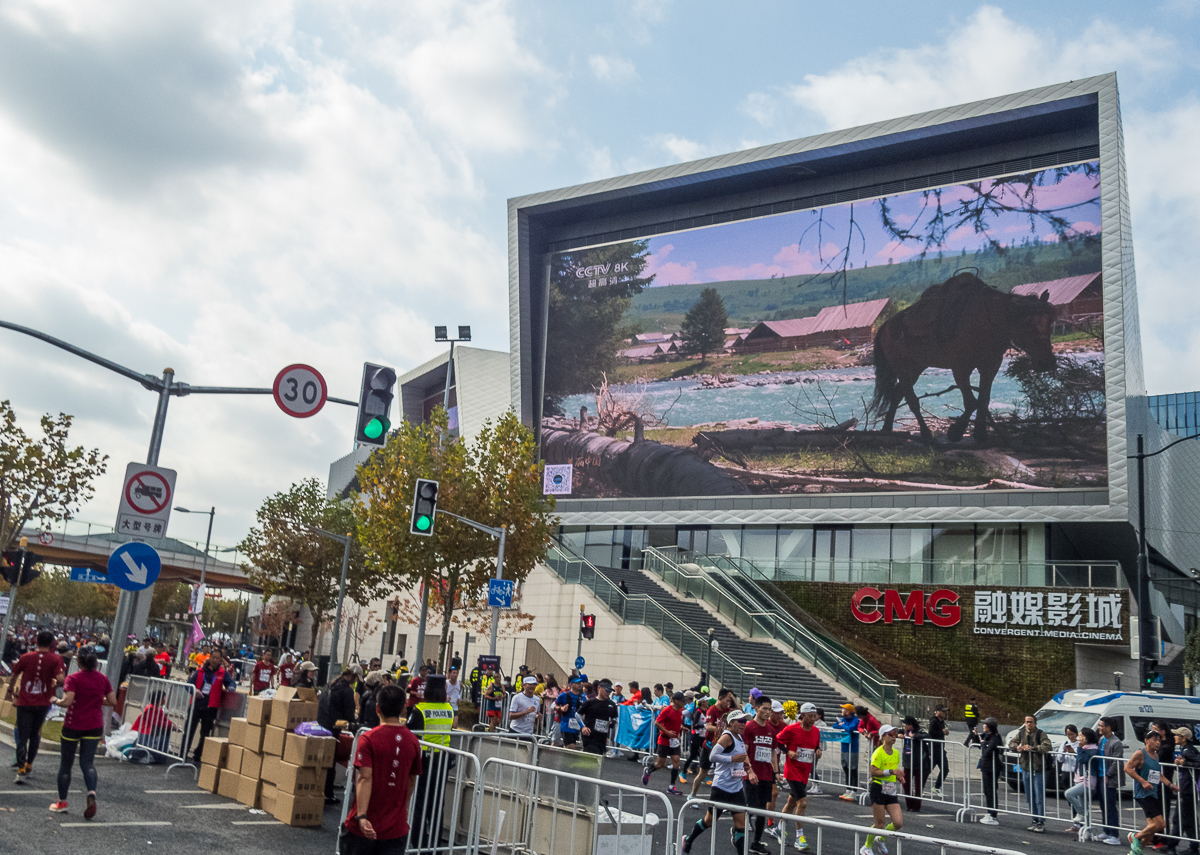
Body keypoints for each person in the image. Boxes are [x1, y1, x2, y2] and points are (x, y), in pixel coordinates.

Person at [341, 684, 423, 854]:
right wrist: (402, 806)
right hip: (396, 827)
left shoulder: (368, 739)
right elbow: (411, 779)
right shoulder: (413, 741)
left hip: (364, 826)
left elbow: (365, 777)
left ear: (377, 708)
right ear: (403, 709)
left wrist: (362, 817)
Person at [49, 646, 115, 818]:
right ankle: (91, 792)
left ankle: (62, 802)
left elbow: (67, 701)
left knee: (66, 764)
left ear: (78, 661)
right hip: (94, 725)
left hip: (73, 724)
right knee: (88, 763)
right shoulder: (102, 678)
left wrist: (55, 700)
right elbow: (112, 700)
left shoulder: (73, 678)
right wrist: (95, 700)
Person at [682, 710, 750, 854]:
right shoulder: (727, 736)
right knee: (709, 821)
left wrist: (743, 766)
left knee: (740, 824)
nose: (744, 724)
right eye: (741, 721)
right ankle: (688, 840)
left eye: (745, 722)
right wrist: (733, 759)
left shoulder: (739, 737)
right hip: (722, 787)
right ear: (732, 722)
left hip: (736, 787)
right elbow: (713, 756)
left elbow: (737, 758)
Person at [5, 629, 65, 784]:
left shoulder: (26, 657)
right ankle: (29, 764)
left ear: (36, 641)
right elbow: (61, 678)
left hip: (25, 701)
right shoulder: (56, 659)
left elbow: (15, 675)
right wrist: (55, 682)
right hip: (43, 702)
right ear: (52, 643)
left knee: (22, 734)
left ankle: (20, 769)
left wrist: (10, 690)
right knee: (35, 734)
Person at [775, 701, 822, 852]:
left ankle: (779, 827)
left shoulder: (816, 731)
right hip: (792, 771)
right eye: (810, 716)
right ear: (802, 715)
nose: (813, 718)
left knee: (791, 802)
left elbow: (815, 745)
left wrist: (818, 750)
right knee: (802, 803)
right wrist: (788, 752)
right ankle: (799, 837)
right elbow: (777, 741)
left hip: (805, 772)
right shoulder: (791, 729)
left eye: (815, 716)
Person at [1127, 728, 1178, 854]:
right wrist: (1143, 781)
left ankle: (1135, 852)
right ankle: (1136, 836)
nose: (1158, 743)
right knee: (1161, 824)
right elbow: (1127, 768)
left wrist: (1170, 785)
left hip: (1153, 793)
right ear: (1146, 741)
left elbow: (1158, 775)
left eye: (1159, 740)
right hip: (1143, 794)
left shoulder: (1155, 756)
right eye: (1154, 740)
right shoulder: (1140, 753)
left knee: (1152, 830)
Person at [740, 694, 776, 854]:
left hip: (766, 775)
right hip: (752, 775)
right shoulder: (749, 727)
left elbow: (773, 752)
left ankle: (756, 842)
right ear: (756, 708)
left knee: (763, 810)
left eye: (770, 709)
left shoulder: (771, 730)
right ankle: (738, 833)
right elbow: (744, 751)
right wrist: (750, 771)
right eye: (765, 709)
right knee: (752, 807)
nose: (768, 712)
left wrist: (777, 772)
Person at [186, 650, 235, 765]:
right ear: (210, 658)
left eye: (218, 658)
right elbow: (188, 684)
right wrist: (194, 691)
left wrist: (231, 688)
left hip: (211, 708)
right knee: (189, 731)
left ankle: (197, 757)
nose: (215, 660)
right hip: (196, 706)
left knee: (205, 734)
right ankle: (183, 753)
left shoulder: (223, 673)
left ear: (220, 660)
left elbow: (231, 683)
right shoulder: (200, 671)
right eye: (213, 657)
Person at [319, 669, 360, 804]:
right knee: (330, 760)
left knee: (321, 760)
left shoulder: (330, 685)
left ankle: (319, 790)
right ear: (352, 677)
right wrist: (354, 724)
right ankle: (328, 794)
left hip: (321, 725)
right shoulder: (346, 691)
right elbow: (348, 713)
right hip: (333, 727)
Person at [862, 725, 905, 855]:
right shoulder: (878, 752)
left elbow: (892, 772)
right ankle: (866, 847)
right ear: (883, 736)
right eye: (891, 733)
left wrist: (898, 777)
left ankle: (881, 838)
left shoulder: (896, 753)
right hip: (878, 787)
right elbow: (873, 772)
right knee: (880, 823)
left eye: (895, 733)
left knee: (897, 823)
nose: (894, 736)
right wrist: (891, 771)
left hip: (891, 789)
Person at [1008, 713, 1052, 833]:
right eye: (1026, 722)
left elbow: (1047, 746)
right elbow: (1011, 743)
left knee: (1039, 796)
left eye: (1031, 722)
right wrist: (1017, 747)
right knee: (1029, 795)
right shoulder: (1022, 733)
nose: (1028, 724)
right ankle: (1034, 819)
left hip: (1038, 768)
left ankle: (1040, 821)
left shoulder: (1040, 733)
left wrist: (1033, 748)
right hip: (1026, 767)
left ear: (1035, 723)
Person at [691, 690, 734, 801]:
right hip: (710, 745)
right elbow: (708, 727)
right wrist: (722, 730)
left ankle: (723, 800)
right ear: (720, 698)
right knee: (702, 773)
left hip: (722, 746)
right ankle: (692, 795)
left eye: (729, 701)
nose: (728, 703)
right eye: (726, 700)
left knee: (726, 774)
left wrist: (732, 698)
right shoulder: (712, 710)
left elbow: (739, 711)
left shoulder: (727, 710)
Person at [644, 692, 687, 794]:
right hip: (664, 740)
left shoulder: (680, 710)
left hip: (674, 740)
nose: (684, 703)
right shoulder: (668, 710)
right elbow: (657, 723)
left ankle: (672, 786)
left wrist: (682, 728)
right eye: (682, 701)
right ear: (676, 701)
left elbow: (676, 723)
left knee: (676, 761)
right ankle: (648, 770)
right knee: (660, 764)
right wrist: (667, 732)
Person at [967, 717, 1004, 825]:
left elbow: (987, 752)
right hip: (986, 766)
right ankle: (989, 811)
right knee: (987, 791)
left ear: (990, 726)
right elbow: (981, 747)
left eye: (985, 724)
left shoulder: (995, 737)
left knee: (991, 791)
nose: (983, 726)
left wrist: (983, 743)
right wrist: (976, 737)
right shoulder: (988, 736)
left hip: (992, 767)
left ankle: (993, 814)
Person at [1063, 727, 1100, 832]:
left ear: (1087, 737)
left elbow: (1083, 760)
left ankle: (1081, 813)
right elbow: (1079, 760)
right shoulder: (1085, 748)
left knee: (1068, 794)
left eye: (1081, 736)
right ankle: (1087, 829)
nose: (1079, 739)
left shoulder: (1092, 749)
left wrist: (1078, 748)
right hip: (1080, 777)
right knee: (1084, 804)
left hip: (1088, 780)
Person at [1096, 716, 1126, 845]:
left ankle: (1115, 835)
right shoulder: (1102, 739)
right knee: (1103, 805)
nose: (1099, 728)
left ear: (1108, 727)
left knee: (1110, 806)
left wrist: (1108, 774)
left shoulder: (1116, 742)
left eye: (1101, 725)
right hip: (1100, 776)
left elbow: (1116, 761)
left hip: (1109, 778)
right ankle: (1106, 830)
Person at [1172, 726, 1200, 855]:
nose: (1175, 737)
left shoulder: (1188, 750)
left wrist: (1185, 764)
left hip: (1188, 789)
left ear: (1183, 738)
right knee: (1183, 818)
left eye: (1177, 735)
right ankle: (1189, 845)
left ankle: (1191, 847)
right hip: (1186, 788)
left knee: (1186, 819)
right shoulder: (1185, 750)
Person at [578, 679, 619, 756]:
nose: (608, 693)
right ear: (599, 688)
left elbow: (615, 717)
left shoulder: (612, 705)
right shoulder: (590, 703)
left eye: (610, 691)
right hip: (589, 737)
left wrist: (612, 723)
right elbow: (577, 714)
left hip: (602, 738)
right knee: (592, 758)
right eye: (606, 690)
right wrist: (582, 727)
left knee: (598, 761)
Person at [899, 716, 928, 812]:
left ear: (910, 725)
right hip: (908, 761)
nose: (904, 726)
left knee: (918, 786)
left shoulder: (919, 731)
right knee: (905, 783)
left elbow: (927, 736)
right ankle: (909, 804)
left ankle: (917, 805)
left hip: (919, 762)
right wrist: (900, 734)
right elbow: (896, 731)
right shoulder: (904, 731)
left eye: (905, 724)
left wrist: (914, 736)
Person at [832, 703, 860, 800]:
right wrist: (843, 726)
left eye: (843, 709)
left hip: (852, 748)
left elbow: (851, 729)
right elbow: (835, 725)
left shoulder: (856, 720)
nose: (842, 710)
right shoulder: (844, 720)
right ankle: (848, 789)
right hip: (844, 747)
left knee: (853, 769)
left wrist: (843, 725)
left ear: (848, 711)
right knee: (845, 769)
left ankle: (854, 791)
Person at [555, 678, 586, 748]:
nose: (579, 685)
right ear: (571, 684)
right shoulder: (564, 695)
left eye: (580, 683)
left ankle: (563, 758)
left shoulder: (582, 697)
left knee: (568, 746)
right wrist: (561, 708)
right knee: (571, 746)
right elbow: (553, 705)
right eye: (577, 683)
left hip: (576, 726)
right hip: (566, 725)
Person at [926, 705, 949, 798]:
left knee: (945, 769)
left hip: (940, 748)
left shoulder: (941, 722)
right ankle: (920, 785)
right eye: (942, 711)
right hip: (934, 748)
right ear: (937, 711)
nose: (944, 713)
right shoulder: (934, 721)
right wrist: (942, 732)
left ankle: (937, 787)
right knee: (928, 769)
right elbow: (931, 733)